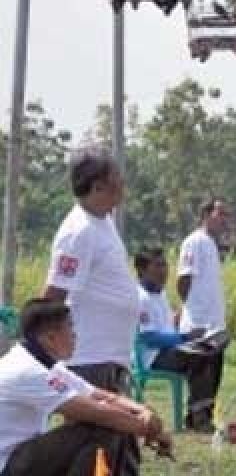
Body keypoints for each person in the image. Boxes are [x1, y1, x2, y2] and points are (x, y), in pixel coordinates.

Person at [0, 299, 172, 476]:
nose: (75, 335)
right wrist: (151, 429)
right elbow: (97, 412)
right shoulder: (28, 370)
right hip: (8, 464)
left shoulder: (44, 364)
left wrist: (142, 410)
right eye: (70, 328)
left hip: (21, 456)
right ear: (50, 338)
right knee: (105, 426)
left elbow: (99, 396)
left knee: (117, 421)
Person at [42, 147, 140, 394]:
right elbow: (54, 295)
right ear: (97, 187)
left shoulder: (103, 222)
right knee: (100, 431)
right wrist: (43, 351)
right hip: (90, 360)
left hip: (110, 358)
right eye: (117, 179)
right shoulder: (79, 231)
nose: (122, 185)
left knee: (118, 431)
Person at [134, 248, 221, 433]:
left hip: (170, 349)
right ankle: (198, 417)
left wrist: (187, 327)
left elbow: (166, 327)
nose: (163, 270)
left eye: (165, 265)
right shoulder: (140, 297)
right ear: (142, 270)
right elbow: (149, 338)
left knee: (214, 352)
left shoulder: (160, 294)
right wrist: (184, 338)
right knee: (199, 356)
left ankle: (201, 413)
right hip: (152, 357)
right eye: (157, 266)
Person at [176, 198, 230, 417]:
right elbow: (183, 279)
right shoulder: (194, 242)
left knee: (214, 371)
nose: (224, 220)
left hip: (214, 321)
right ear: (206, 215)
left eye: (227, 215)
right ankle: (196, 415)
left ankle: (206, 414)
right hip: (199, 321)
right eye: (220, 214)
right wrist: (190, 306)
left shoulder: (212, 244)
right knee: (201, 372)